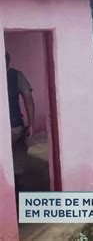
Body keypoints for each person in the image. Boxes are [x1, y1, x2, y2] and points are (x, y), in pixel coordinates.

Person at [6, 51, 35, 187]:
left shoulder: (16, 75)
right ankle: (16, 188)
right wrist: (31, 125)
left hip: (11, 126)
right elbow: (28, 99)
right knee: (16, 157)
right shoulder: (16, 75)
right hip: (15, 125)